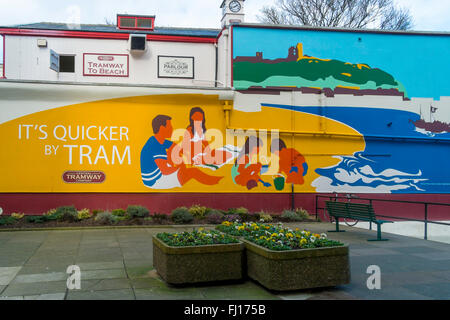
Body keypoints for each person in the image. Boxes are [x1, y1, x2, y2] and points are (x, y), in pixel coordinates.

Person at [140, 115, 223, 189]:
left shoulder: (156, 139)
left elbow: (175, 147)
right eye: (170, 126)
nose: (172, 129)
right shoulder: (155, 146)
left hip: (158, 171)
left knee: (176, 156)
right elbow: (165, 171)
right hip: (155, 181)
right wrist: (182, 166)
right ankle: (219, 182)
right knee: (193, 172)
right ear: (162, 128)